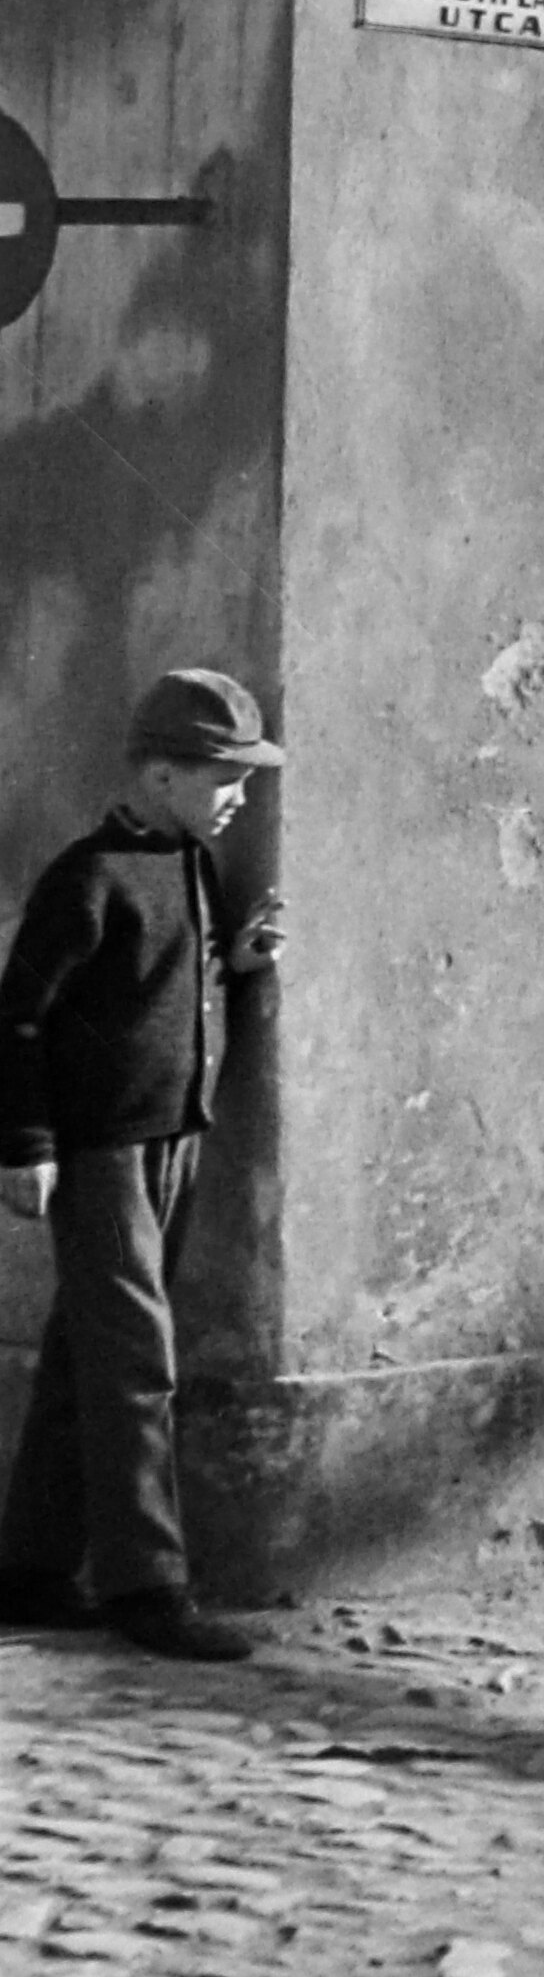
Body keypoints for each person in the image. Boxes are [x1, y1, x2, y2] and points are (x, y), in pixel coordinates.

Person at [1, 666, 286, 1659]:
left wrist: (237, 962)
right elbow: (18, 1018)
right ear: (162, 776)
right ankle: (148, 1586)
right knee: (135, 1365)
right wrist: (26, 1147)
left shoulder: (192, 864)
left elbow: (172, 980)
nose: (240, 795)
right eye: (225, 777)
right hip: (102, 1155)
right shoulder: (89, 878)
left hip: (175, 1142)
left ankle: (31, 1570)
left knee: (88, 1354)